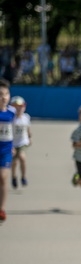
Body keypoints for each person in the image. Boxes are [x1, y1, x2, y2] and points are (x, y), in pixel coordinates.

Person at [10, 95, 30, 190]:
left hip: (23, 142)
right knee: (14, 162)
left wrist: (30, 137)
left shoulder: (26, 117)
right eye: (16, 106)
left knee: (22, 158)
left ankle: (23, 177)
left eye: (20, 106)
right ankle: (14, 177)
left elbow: (28, 129)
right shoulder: (11, 119)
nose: (18, 108)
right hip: (13, 143)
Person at [0, 80, 13, 222]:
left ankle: (1, 209)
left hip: (6, 150)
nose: (3, 97)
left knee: (3, 178)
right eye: (0, 94)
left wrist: (14, 145)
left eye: (6, 94)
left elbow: (14, 130)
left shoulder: (12, 113)